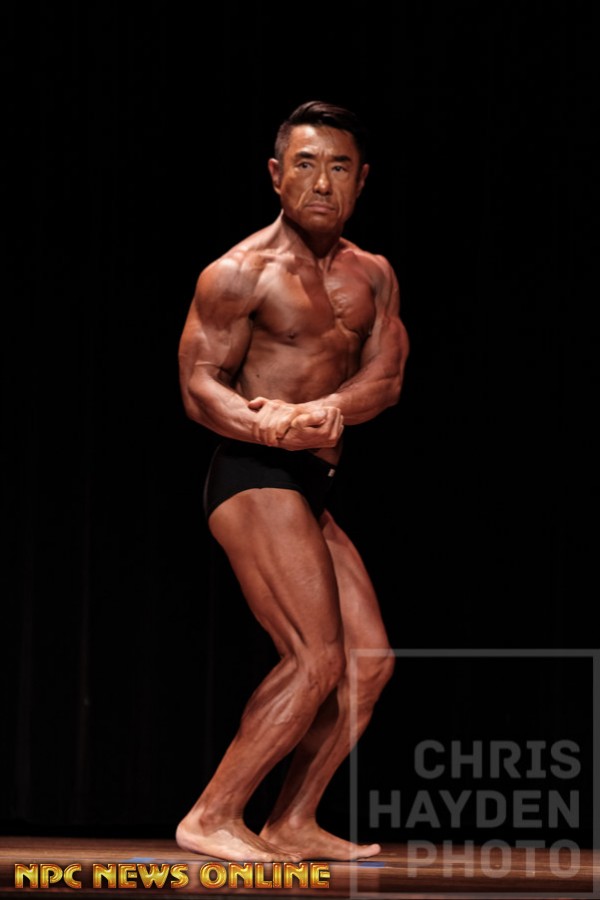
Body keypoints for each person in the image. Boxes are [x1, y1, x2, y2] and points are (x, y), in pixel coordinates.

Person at [176, 100, 409, 863]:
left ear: (362, 181)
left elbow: (387, 377)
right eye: (305, 164)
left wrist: (327, 409)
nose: (322, 182)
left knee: (367, 664)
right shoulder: (240, 272)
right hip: (254, 472)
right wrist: (267, 426)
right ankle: (212, 814)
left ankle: (291, 822)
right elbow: (198, 384)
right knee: (315, 656)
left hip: (314, 482)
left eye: (340, 167)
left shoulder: (373, 274)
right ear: (276, 175)